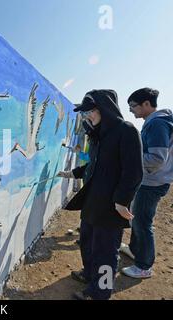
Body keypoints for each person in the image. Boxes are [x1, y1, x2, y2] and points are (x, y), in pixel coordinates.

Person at [57, 89, 143, 300]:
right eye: (86, 112)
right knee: (87, 242)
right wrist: (73, 173)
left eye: (91, 111)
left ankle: (100, 292)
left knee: (105, 252)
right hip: (92, 202)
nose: (87, 115)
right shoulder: (97, 134)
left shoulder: (126, 131)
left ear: (105, 109)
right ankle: (89, 274)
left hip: (111, 207)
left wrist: (122, 202)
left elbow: (134, 172)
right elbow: (94, 166)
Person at [120, 88, 173, 278]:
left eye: (133, 106)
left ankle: (144, 266)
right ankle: (135, 249)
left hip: (153, 183)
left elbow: (157, 158)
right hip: (150, 179)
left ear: (146, 104)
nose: (131, 110)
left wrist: (129, 158)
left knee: (143, 222)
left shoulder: (158, 124)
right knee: (137, 217)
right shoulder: (155, 122)